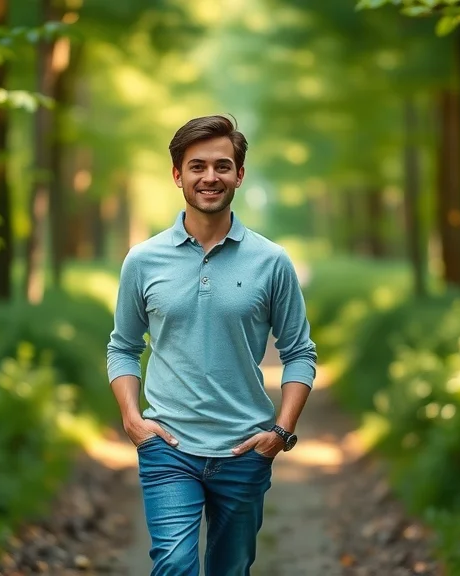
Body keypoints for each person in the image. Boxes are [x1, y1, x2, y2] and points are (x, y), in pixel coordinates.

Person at [106, 114, 318, 575]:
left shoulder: (272, 262)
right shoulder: (142, 261)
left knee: (230, 569)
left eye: (222, 166)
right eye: (197, 166)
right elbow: (122, 346)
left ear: (239, 175)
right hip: (167, 447)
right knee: (175, 565)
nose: (210, 177)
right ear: (177, 174)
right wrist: (132, 420)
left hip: (246, 450)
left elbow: (299, 353)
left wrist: (279, 433)